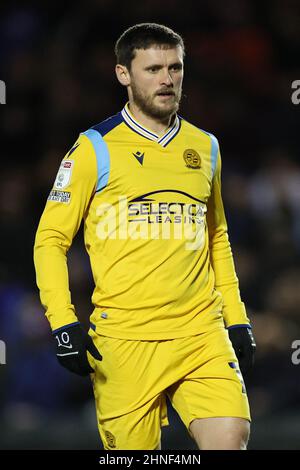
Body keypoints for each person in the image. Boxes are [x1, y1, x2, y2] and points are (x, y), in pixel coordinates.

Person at [34, 23, 256, 450]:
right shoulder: (93, 148)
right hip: (125, 342)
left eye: (175, 67)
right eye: (153, 68)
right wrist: (63, 322)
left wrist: (238, 317)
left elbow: (217, 239)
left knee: (230, 438)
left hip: (201, 334)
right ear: (123, 74)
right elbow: (50, 240)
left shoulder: (205, 147)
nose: (167, 79)